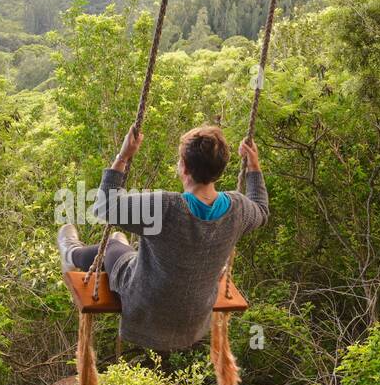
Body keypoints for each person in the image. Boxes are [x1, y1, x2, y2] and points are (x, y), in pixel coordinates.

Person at [58, 124, 269, 353]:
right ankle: (118, 245)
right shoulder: (237, 209)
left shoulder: (166, 207)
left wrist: (123, 156)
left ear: (184, 168)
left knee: (111, 246)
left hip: (148, 309)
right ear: (220, 169)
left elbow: (104, 206)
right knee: (125, 247)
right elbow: (261, 209)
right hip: (193, 319)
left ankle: (71, 253)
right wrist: (253, 166)